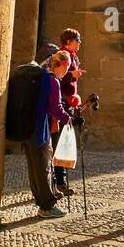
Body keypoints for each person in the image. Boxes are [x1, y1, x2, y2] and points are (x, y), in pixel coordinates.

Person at [32, 50, 73, 219]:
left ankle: (42, 201)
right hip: (41, 127)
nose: (66, 71)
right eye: (67, 67)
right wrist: (68, 119)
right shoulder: (53, 81)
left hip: (29, 126)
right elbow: (55, 108)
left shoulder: (42, 76)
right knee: (44, 167)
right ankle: (47, 207)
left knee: (35, 168)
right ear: (62, 65)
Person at [53, 29, 85, 198]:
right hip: (62, 104)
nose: (80, 43)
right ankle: (57, 183)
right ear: (68, 41)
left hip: (70, 103)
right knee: (58, 142)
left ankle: (61, 182)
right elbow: (56, 76)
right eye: (77, 40)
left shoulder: (73, 56)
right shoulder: (62, 55)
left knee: (64, 143)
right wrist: (71, 75)